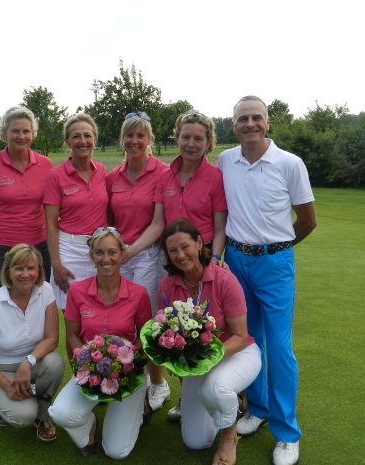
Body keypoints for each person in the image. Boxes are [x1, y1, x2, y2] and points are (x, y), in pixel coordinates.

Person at [217, 95, 317, 465]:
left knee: (278, 346)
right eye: (242, 118)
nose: (250, 124)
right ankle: (256, 409)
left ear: (268, 122)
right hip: (235, 261)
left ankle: (287, 432)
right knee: (247, 341)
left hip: (274, 264)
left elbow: (307, 220)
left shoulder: (289, 163)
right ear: (234, 125)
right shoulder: (226, 159)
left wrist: (278, 249)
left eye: (256, 117)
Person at [124, 111, 228, 417]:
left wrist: (216, 260)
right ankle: (185, 395)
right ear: (176, 138)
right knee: (176, 328)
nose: (191, 144)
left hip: (204, 259)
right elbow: (158, 224)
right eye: (186, 137)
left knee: (205, 328)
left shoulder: (215, 177)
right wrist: (130, 252)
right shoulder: (164, 176)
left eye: (198, 138)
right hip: (170, 261)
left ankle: (214, 392)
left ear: (209, 143)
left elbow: (220, 227)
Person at [158, 218, 261, 465]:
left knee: (213, 389)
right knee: (196, 442)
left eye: (185, 246)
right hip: (198, 363)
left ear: (199, 243)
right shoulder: (166, 284)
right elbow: (166, 333)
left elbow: (240, 335)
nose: (180, 255)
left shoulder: (225, 279)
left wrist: (206, 358)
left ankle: (228, 437)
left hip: (238, 353)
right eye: (173, 250)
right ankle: (226, 401)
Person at [48, 228, 152, 459]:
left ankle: (138, 402)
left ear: (122, 253)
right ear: (91, 256)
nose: (106, 259)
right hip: (91, 370)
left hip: (127, 373)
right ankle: (90, 426)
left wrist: (128, 364)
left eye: (112, 252)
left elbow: (144, 336)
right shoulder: (77, 291)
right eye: (100, 253)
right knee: (61, 414)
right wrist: (86, 365)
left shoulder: (138, 293)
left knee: (116, 452)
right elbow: (73, 334)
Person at [0, 244, 64, 441]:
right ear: (8, 271)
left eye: (31, 268)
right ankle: (2, 400)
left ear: (39, 271)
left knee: (54, 362)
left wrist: (27, 362)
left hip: (31, 365)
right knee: (23, 417)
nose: (25, 274)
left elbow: (52, 338)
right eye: (18, 268)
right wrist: (5, 385)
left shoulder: (45, 290)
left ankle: (44, 417)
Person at [0, 106, 53, 291]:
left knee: (40, 302)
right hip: (0, 249)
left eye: (26, 131)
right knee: (2, 307)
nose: (21, 136)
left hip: (39, 247)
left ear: (33, 134)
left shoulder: (46, 164)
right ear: (4, 134)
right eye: (15, 131)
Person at [106, 112, 169, 313]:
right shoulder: (113, 176)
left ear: (149, 139)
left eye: (140, 136)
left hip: (148, 253)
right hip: (118, 254)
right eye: (129, 135)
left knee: (144, 311)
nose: (134, 141)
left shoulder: (164, 173)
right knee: (119, 310)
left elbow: (158, 223)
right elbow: (109, 220)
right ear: (122, 139)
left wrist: (131, 252)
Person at [44, 113, 108, 310]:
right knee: (73, 314)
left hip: (100, 251)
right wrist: (57, 265)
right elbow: (50, 224)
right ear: (67, 141)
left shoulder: (102, 171)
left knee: (100, 310)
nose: (83, 141)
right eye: (76, 136)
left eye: (87, 136)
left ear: (94, 139)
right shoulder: (56, 175)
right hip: (69, 252)